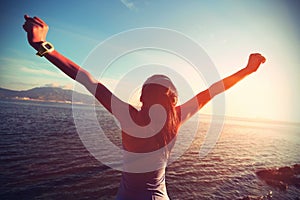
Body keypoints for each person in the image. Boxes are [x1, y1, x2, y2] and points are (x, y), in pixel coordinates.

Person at [23, 15, 266, 200]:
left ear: (142, 98)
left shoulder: (129, 116)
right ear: (173, 100)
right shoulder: (177, 117)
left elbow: (84, 78)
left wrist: (42, 45)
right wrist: (247, 70)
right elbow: (213, 90)